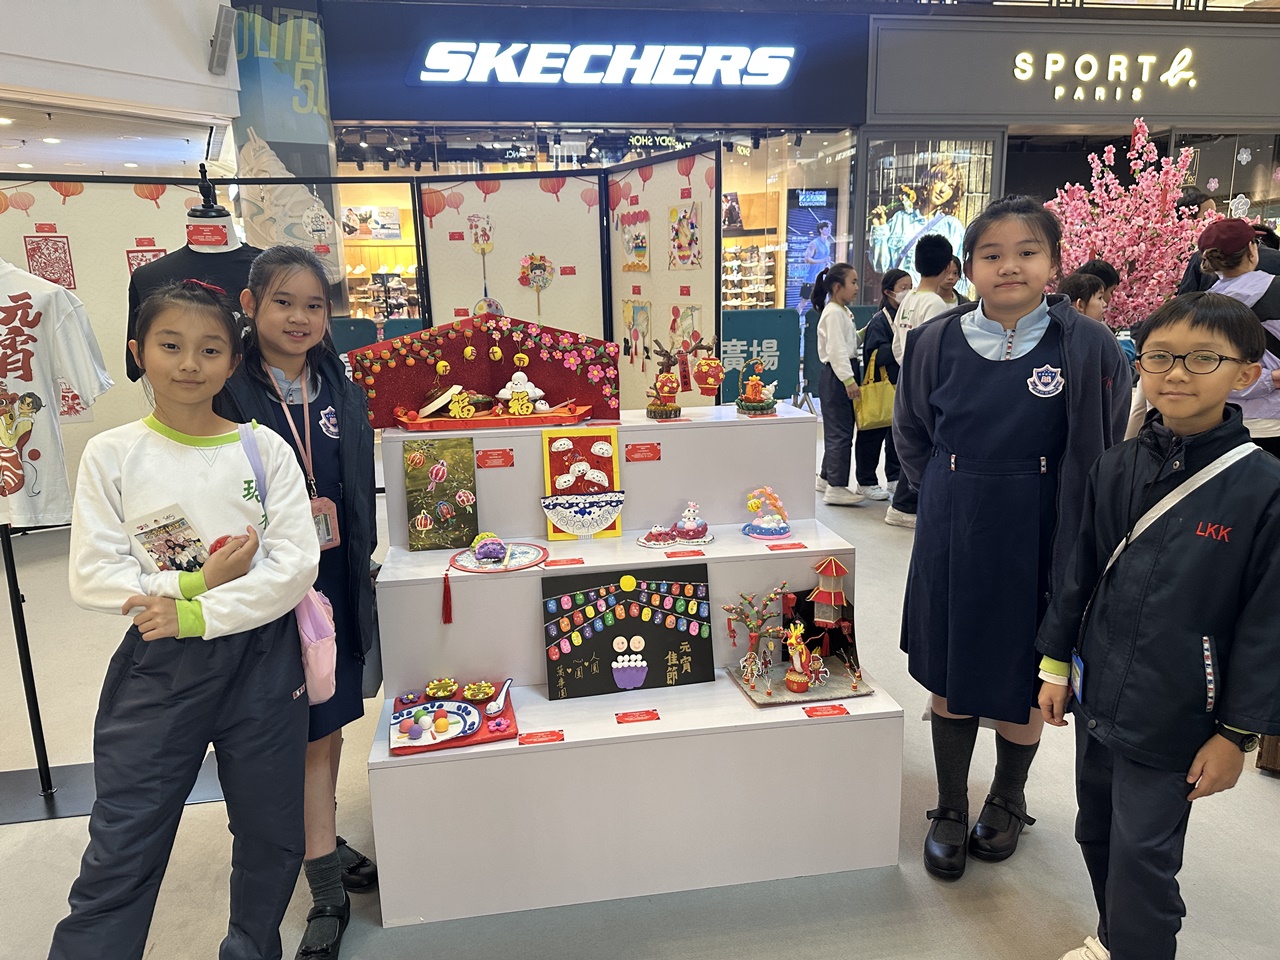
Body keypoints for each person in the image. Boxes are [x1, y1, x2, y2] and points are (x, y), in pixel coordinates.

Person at [49, 280, 319, 960]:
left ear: (233, 362)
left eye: (210, 350)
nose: (190, 364)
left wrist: (198, 611)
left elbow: (293, 565)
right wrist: (194, 583)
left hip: (263, 658)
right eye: (170, 346)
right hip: (159, 661)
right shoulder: (114, 453)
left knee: (272, 831)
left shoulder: (263, 449)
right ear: (139, 353)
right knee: (126, 836)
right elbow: (94, 573)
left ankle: (252, 948)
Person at [893, 196, 1130, 882]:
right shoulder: (935, 339)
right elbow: (911, 433)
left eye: (1028, 252)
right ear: (968, 267)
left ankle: (1007, 796)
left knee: (1028, 673)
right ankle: (948, 803)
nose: (1009, 266)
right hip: (954, 523)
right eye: (992, 254)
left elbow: (1107, 437)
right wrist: (950, 489)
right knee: (953, 665)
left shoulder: (1087, 345)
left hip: (1046, 525)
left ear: (1053, 263)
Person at [1038, 292, 1280, 960]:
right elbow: (1079, 572)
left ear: (1246, 372)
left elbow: (1268, 625)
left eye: (1202, 358)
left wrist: (1237, 733)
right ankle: (1114, 939)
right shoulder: (1115, 465)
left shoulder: (1262, 488)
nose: (1176, 373)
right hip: (1097, 693)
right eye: (1160, 357)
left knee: (1143, 856)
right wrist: (1054, 666)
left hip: (1179, 711)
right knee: (1095, 831)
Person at [217, 246, 378, 960]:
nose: (300, 318)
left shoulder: (339, 384)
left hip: (333, 578)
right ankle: (320, 877)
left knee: (328, 723)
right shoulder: (229, 389)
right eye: (284, 302)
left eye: (315, 305)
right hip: (265, 587)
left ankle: (321, 849)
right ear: (250, 305)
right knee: (284, 730)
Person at [884, 234, 955, 529]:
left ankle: (904, 504)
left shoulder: (909, 299)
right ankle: (905, 505)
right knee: (926, 442)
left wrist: (908, 368)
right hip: (928, 383)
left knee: (911, 439)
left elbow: (897, 345)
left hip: (907, 377)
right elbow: (938, 351)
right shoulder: (935, 304)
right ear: (947, 266)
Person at [1196, 218, 1280, 457]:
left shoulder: (1201, 308)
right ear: (1252, 250)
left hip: (1223, 421)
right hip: (1275, 421)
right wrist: (1273, 378)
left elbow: (1205, 369)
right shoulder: (1276, 290)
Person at [855, 269, 912, 501]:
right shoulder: (880, 320)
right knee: (872, 434)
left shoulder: (907, 317)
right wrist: (902, 343)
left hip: (901, 385)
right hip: (880, 385)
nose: (908, 292)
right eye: (903, 288)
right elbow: (875, 354)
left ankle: (894, 477)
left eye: (911, 287)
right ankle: (866, 481)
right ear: (889, 292)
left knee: (897, 436)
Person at [813, 263, 864, 506]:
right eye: (852, 282)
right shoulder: (833, 313)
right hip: (838, 376)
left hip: (840, 373)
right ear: (836, 286)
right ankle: (836, 486)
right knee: (841, 433)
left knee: (838, 430)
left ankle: (826, 477)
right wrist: (849, 380)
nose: (857, 287)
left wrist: (864, 332)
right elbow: (836, 350)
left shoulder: (841, 311)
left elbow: (848, 343)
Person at [869, 160, 967, 287]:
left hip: (931, 297)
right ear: (929, 181)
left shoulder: (952, 227)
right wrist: (879, 227)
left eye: (951, 187)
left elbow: (960, 277)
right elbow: (880, 266)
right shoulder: (901, 219)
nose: (943, 189)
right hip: (900, 297)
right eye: (941, 180)